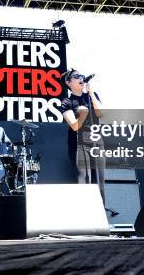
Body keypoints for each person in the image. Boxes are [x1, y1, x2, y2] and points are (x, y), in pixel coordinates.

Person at [60, 68, 105, 202]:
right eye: (76, 76)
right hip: (78, 145)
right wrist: (82, 116)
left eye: (81, 75)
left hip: (97, 143)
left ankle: (101, 215)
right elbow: (74, 126)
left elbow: (102, 114)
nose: (81, 78)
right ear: (69, 82)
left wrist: (90, 92)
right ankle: (86, 214)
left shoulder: (92, 96)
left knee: (100, 182)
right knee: (84, 180)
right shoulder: (67, 102)